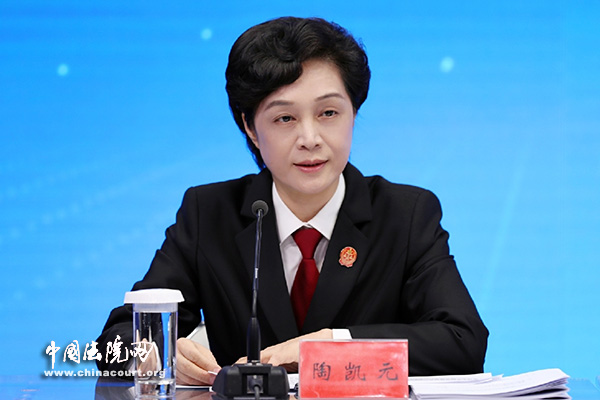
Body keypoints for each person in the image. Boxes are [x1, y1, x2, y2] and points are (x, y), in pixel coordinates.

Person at [96, 16, 488, 385]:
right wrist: (156, 355)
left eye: (328, 112)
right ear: (251, 127)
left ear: (354, 113)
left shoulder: (405, 214)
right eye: (285, 118)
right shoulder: (208, 214)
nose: (310, 139)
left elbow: (463, 342)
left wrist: (329, 347)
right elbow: (113, 343)